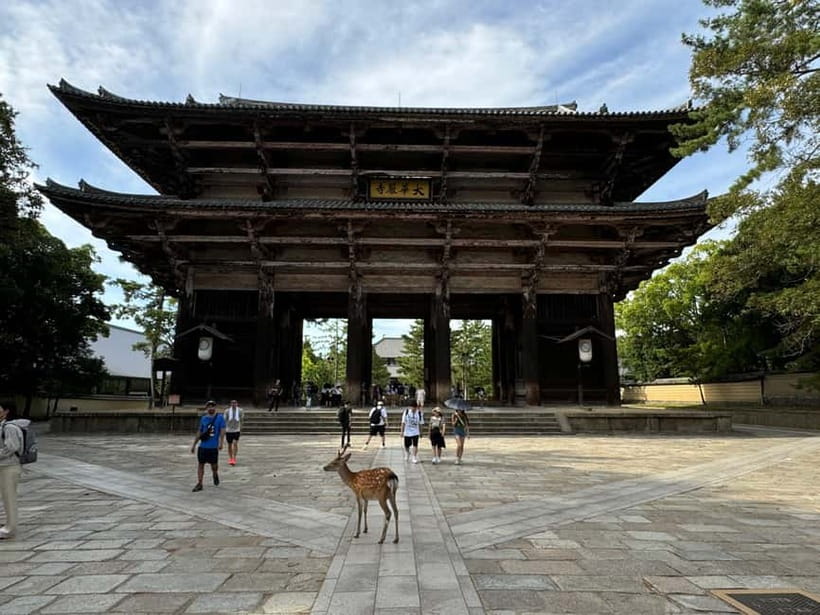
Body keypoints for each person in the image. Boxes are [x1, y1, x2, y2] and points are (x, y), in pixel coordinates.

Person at [0, 402, 24, 539]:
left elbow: (12, 447)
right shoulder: (2, 426)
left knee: (9, 497)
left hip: (9, 467)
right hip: (3, 465)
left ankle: (10, 529)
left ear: (6, 411)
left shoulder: (10, 427)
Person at [190, 400, 226, 491]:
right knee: (200, 464)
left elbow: (222, 430)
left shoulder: (220, 418)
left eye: (212, 406)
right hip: (203, 446)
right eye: (209, 406)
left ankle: (215, 473)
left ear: (215, 408)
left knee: (214, 465)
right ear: (207, 408)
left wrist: (221, 442)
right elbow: (200, 431)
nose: (211, 408)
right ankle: (200, 483)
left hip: (213, 447)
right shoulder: (204, 418)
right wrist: (194, 444)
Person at [223, 399, 242, 466]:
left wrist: (241, 427)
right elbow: (224, 419)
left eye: (235, 403)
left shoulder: (240, 410)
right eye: (232, 403)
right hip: (229, 430)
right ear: (230, 404)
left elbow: (241, 419)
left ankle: (234, 457)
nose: (234, 404)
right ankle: (230, 458)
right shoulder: (227, 411)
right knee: (229, 444)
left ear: (237, 404)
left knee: (235, 443)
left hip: (236, 429)